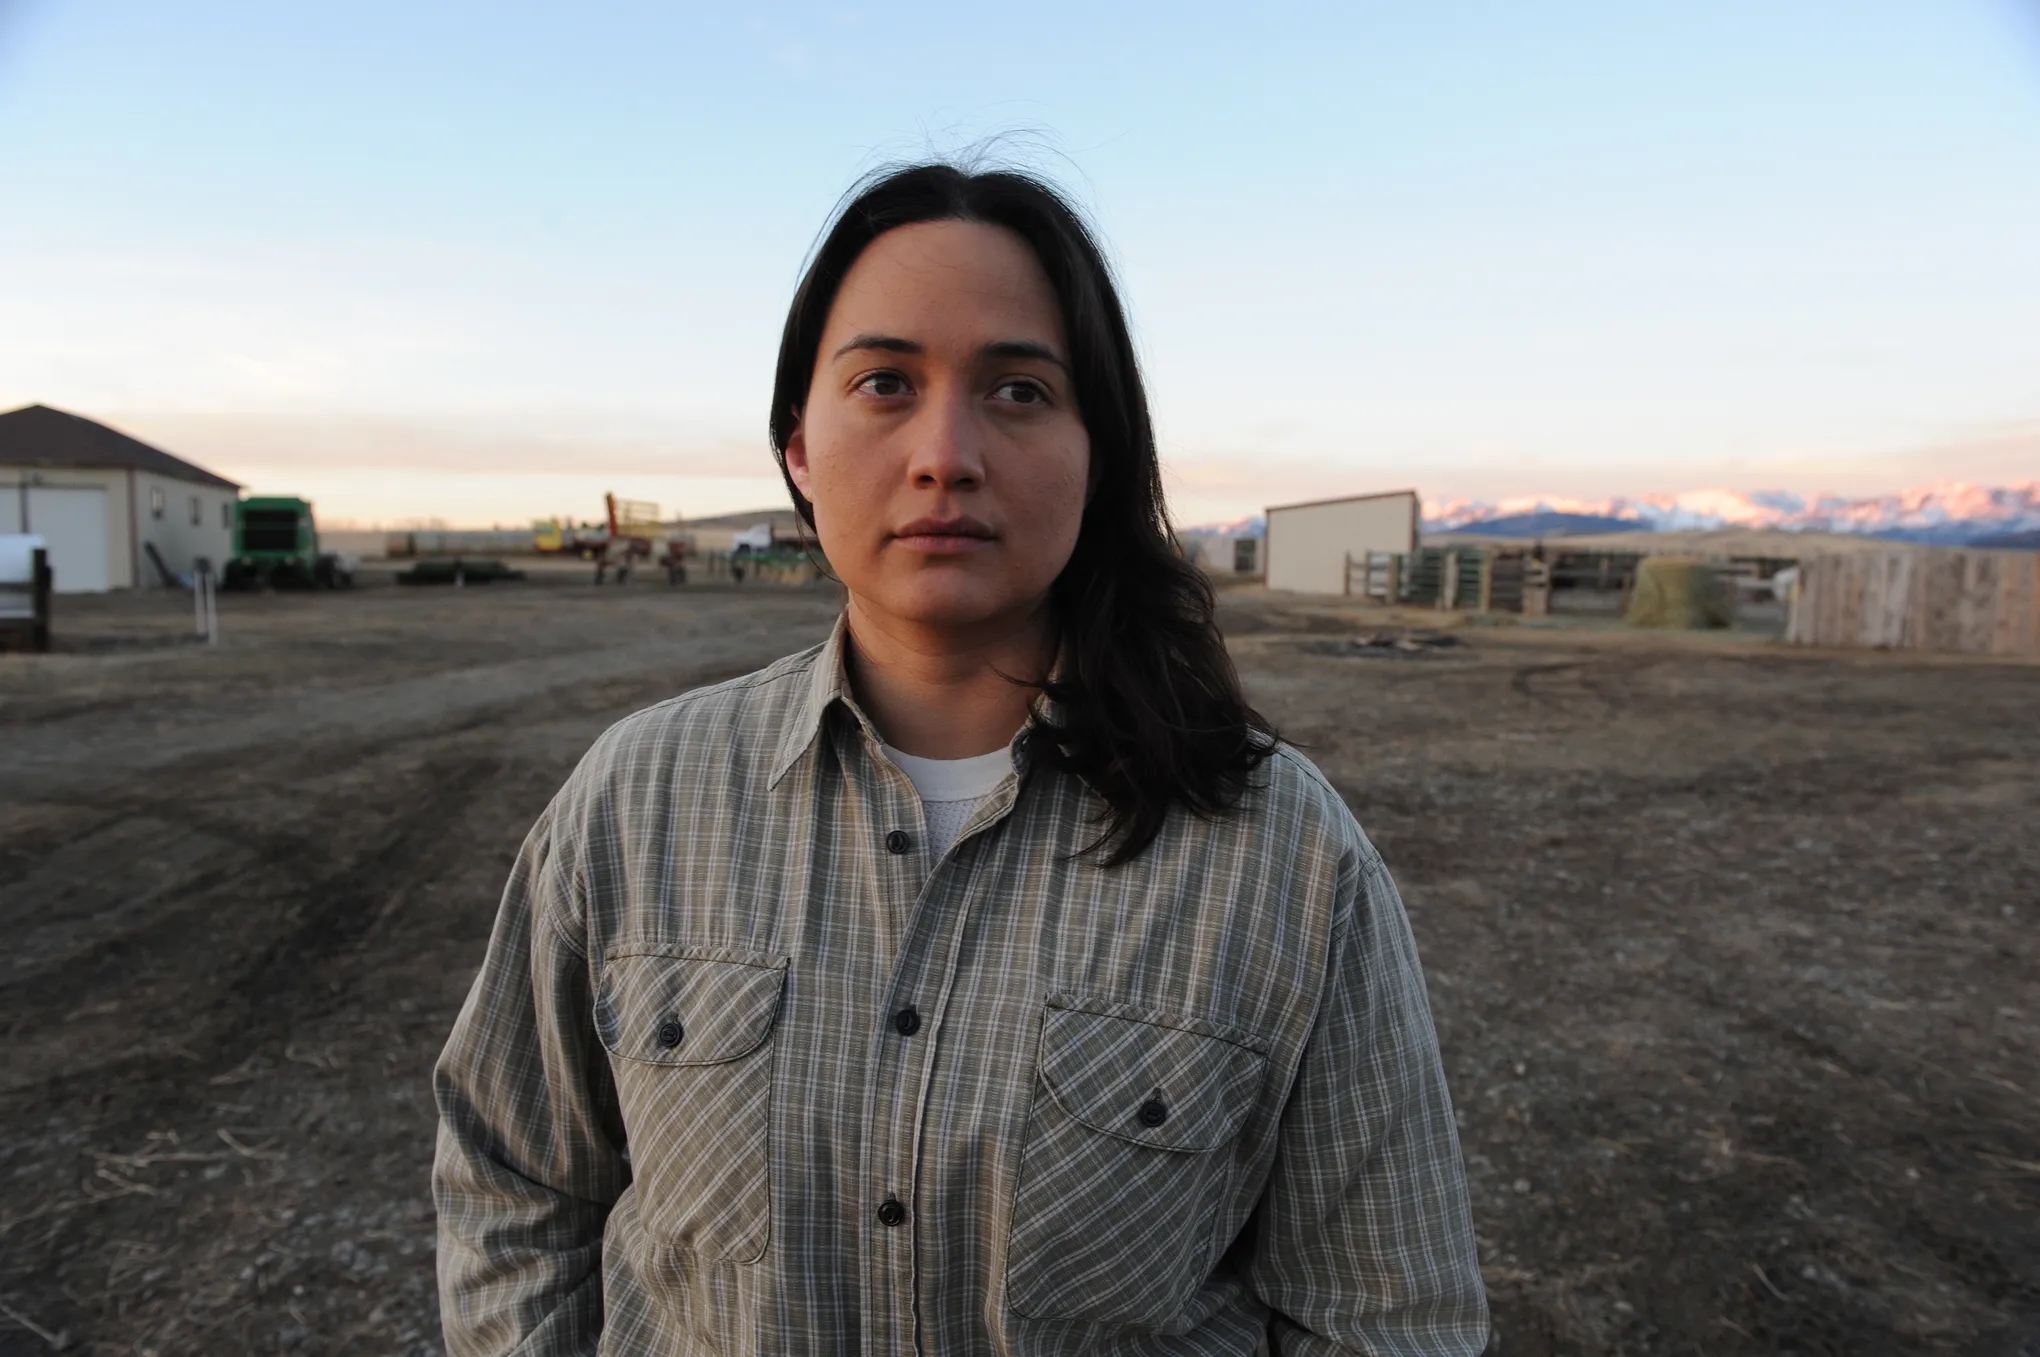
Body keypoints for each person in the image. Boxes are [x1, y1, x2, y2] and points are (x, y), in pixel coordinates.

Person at [433, 161, 1489, 1355]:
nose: (946, 452)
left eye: (1021, 391)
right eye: (885, 383)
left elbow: (1384, 1314)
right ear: (796, 446)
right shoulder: (636, 800)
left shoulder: (1285, 854)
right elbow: (514, 1184)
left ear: (1101, 452)